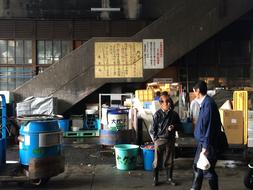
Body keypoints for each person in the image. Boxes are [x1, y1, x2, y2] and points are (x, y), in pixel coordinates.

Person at [191, 80, 222, 190]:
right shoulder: (205, 103)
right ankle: (195, 188)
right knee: (197, 167)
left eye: (194, 91)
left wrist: (205, 147)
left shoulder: (208, 104)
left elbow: (208, 127)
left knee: (207, 170)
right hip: (204, 142)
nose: (194, 94)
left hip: (207, 144)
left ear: (198, 91)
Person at [149, 91, 181, 186]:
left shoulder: (174, 114)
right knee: (157, 161)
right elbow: (152, 129)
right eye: (165, 101)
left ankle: (169, 178)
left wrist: (173, 127)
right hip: (160, 141)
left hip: (170, 140)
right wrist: (156, 140)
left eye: (168, 101)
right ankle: (156, 179)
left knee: (170, 160)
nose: (167, 103)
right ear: (161, 103)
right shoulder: (157, 115)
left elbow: (180, 126)